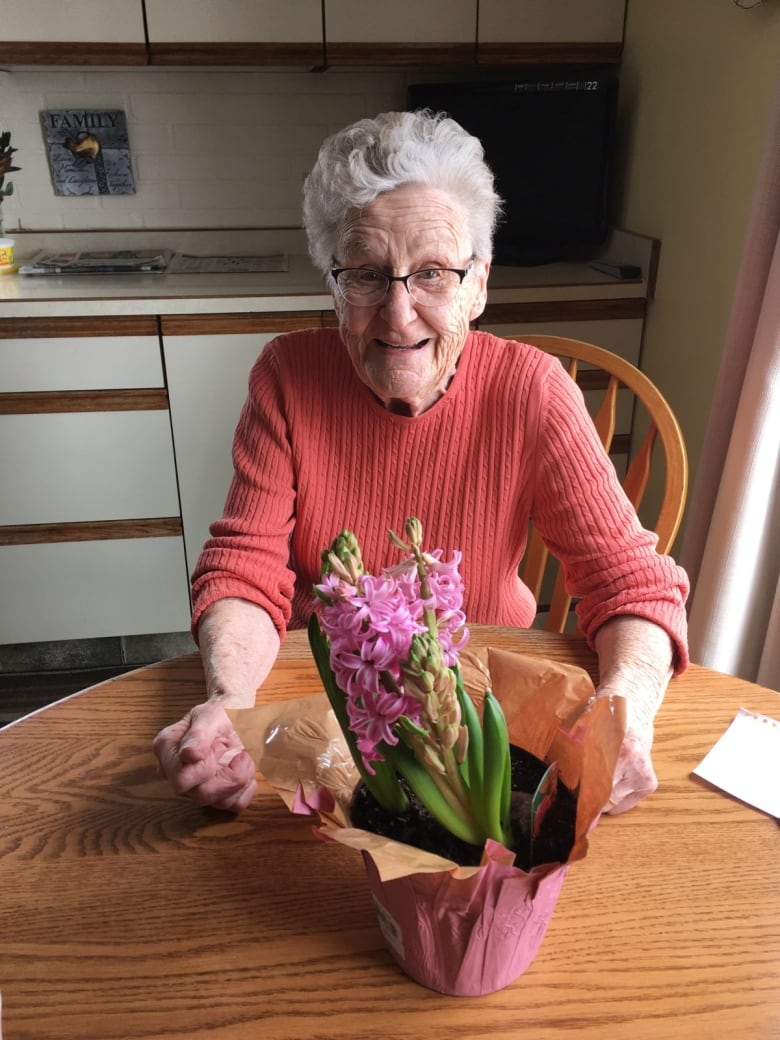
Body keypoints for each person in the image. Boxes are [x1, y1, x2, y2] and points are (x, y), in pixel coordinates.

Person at [154, 110, 689, 816]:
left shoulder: (533, 390)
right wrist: (230, 701)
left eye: (433, 273)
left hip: (489, 712)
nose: (399, 315)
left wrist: (626, 711)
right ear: (333, 285)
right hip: (325, 708)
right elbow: (244, 571)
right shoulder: (286, 374)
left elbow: (633, 587)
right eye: (368, 275)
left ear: (480, 284)